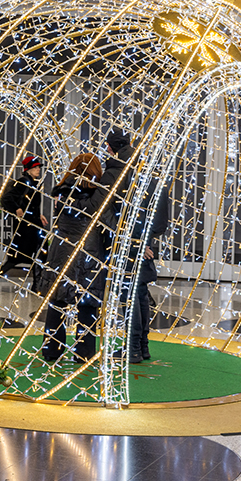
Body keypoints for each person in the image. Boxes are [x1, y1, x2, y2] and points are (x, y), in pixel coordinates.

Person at [86, 128, 169, 364]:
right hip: (144, 242)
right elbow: (160, 216)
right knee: (139, 292)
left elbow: (100, 209)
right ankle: (141, 347)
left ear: (110, 148)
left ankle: (133, 349)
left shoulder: (115, 172)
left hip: (125, 243)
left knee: (130, 295)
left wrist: (126, 237)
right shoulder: (146, 171)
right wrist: (146, 239)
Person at [37, 153, 104, 362]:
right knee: (87, 302)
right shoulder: (98, 193)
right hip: (89, 250)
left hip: (62, 248)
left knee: (58, 300)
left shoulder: (62, 190)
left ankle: (51, 349)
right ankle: (84, 352)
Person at [0, 154, 48, 291]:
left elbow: (31, 204)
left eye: (39, 167)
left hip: (33, 224)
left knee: (39, 253)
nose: (38, 169)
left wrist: (39, 215)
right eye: (35, 167)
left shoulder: (33, 183)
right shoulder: (23, 182)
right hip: (26, 227)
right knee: (20, 256)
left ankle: (36, 285)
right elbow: (7, 198)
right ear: (28, 169)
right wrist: (16, 209)